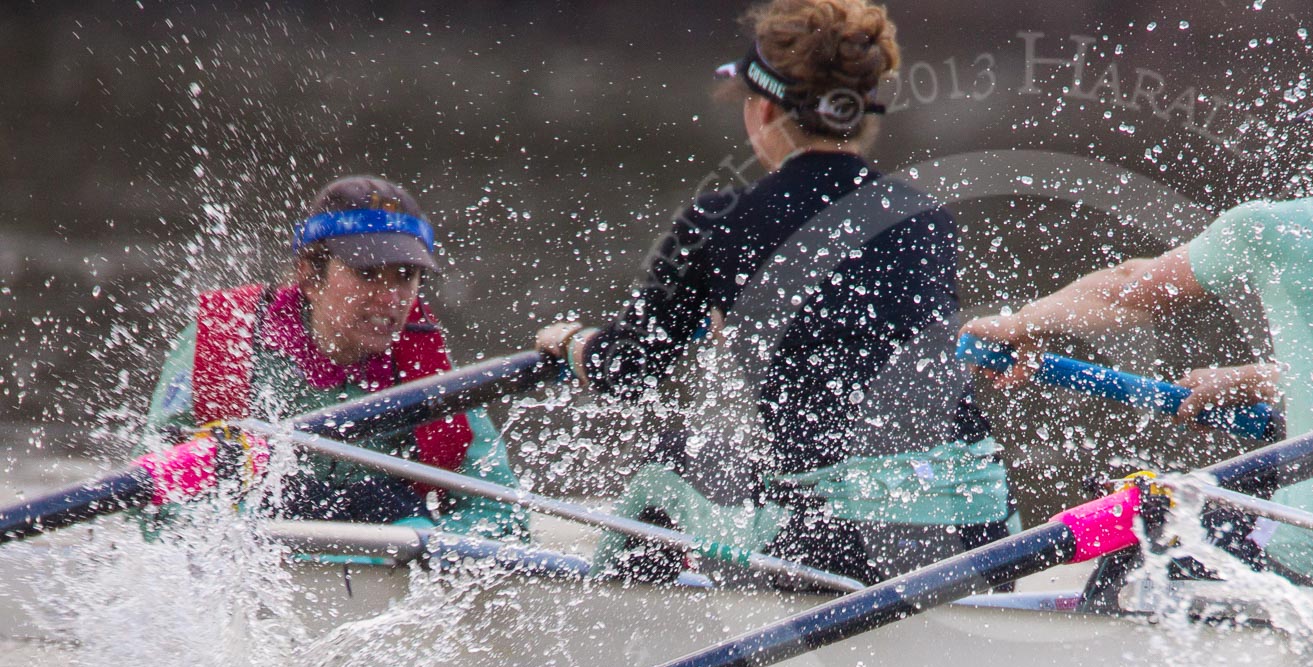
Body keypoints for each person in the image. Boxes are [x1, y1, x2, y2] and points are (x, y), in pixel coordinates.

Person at [962, 31, 1313, 610]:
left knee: (1159, 528)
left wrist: (1018, 325)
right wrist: (1251, 380)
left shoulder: (1282, 228)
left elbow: (1129, 292)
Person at [534, 0, 1010, 587]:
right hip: (982, 535)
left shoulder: (720, 218)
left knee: (673, 452)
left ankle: (624, 622)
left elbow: (629, 369)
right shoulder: (925, 217)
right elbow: (856, 328)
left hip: (842, 546)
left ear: (760, 109)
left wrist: (571, 341)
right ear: (863, 118)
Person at [143, 175, 527, 540]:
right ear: (310, 275)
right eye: (368, 273)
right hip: (250, 547)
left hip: (387, 549)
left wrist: (427, 545)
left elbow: (504, 518)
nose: (391, 298)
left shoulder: (426, 371)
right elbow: (152, 495)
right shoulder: (228, 341)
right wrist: (231, 534)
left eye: (405, 274)